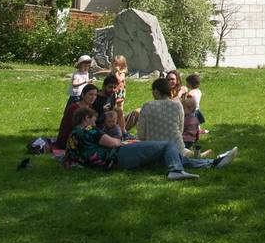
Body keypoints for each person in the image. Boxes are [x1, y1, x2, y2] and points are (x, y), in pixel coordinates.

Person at [63, 105, 198, 180]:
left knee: (163, 155)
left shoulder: (73, 135)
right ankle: (176, 171)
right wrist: (121, 140)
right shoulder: (89, 130)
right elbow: (114, 143)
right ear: (86, 118)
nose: (94, 123)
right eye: (93, 119)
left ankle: (206, 163)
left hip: (109, 163)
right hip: (117, 157)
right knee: (168, 145)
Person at [137, 77, 237, 170]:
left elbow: (141, 135)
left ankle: (215, 161)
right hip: (177, 147)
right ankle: (216, 161)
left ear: (156, 91)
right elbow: (180, 130)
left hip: (154, 150)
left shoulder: (147, 106)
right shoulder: (178, 106)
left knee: (184, 159)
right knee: (185, 157)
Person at [57, 84, 98, 148]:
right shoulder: (74, 108)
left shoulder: (90, 108)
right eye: (90, 94)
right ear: (83, 95)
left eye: (95, 95)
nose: (93, 97)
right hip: (69, 140)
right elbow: (75, 128)